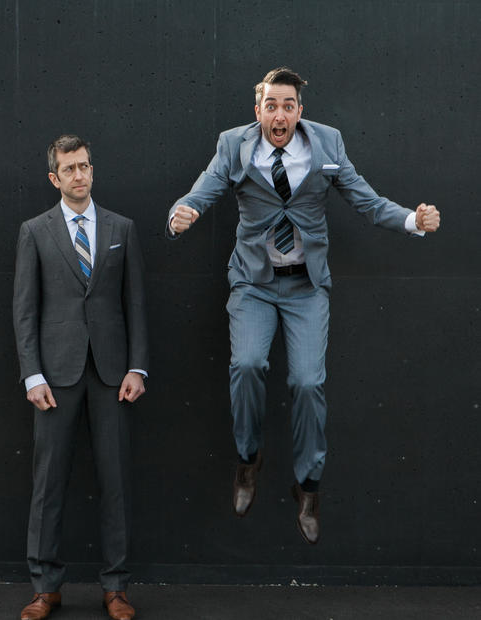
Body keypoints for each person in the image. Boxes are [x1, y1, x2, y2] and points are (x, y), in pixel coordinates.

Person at [166, 67, 440, 545]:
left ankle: (308, 486)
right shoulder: (235, 145)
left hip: (306, 287)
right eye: (271, 105)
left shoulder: (327, 144)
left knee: (308, 382)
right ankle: (248, 461)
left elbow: (367, 201)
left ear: (299, 111)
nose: (280, 114)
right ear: (258, 111)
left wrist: (411, 220)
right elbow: (203, 190)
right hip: (253, 283)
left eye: (288, 105)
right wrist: (179, 214)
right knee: (248, 364)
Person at [13, 134, 148, 620]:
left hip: (113, 375)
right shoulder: (35, 231)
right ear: (55, 177)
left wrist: (137, 366)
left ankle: (116, 588)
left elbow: (135, 303)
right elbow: (24, 311)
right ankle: (45, 587)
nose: (79, 175)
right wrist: (32, 375)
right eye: (69, 169)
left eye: (85, 166)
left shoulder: (122, 228)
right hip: (55, 375)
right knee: (48, 483)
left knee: (115, 482)